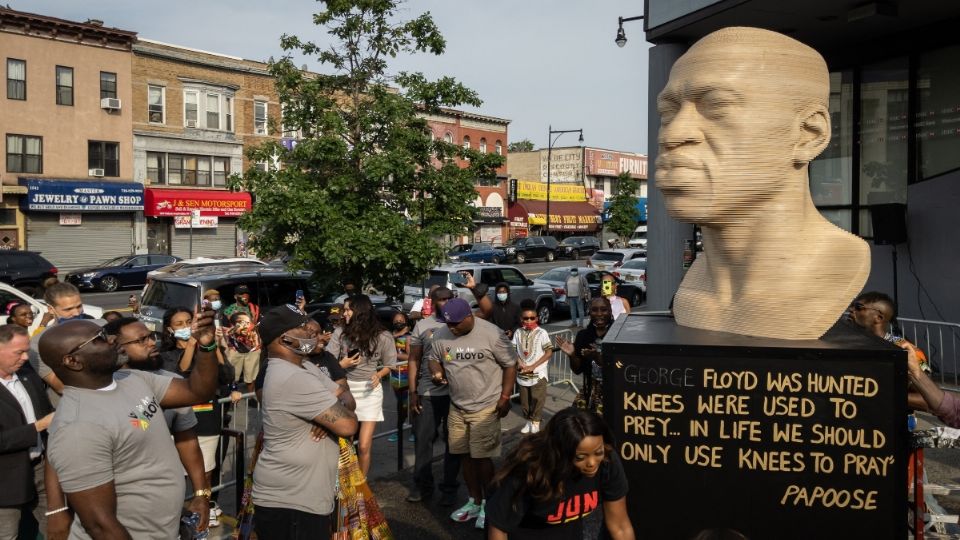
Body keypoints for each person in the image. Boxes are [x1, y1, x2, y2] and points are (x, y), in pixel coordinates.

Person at [656, 26, 870, 340]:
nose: (671, 134)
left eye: (717, 105)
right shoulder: (694, 292)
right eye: (667, 111)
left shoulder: (830, 272)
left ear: (809, 135)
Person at [40, 309, 220, 539]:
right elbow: (100, 525)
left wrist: (206, 347)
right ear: (73, 361)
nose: (113, 339)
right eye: (100, 339)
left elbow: (197, 391)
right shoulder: (78, 426)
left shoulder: (132, 379)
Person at [253, 305, 358, 540]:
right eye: (302, 326)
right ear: (285, 338)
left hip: (304, 499)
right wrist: (332, 411)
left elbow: (348, 398)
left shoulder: (305, 366)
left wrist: (328, 412)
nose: (312, 330)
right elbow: (349, 425)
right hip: (291, 503)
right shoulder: (292, 377)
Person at [103, 317, 212, 531]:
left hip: (164, 509)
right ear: (115, 346)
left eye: (151, 337)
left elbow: (187, 440)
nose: (152, 343)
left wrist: (200, 493)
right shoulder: (102, 386)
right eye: (141, 340)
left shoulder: (171, 382)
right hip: (118, 511)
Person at [427, 297, 518, 529]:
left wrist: (505, 398)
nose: (452, 328)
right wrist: (437, 373)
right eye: (448, 324)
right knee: (464, 455)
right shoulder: (441, 335)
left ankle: (490, 504)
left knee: (481, 457)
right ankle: (474, 501)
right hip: (457, 407)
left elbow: (510, 365)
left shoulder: (492, 334)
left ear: (469, 316)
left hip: (486, 406)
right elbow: (433, 359)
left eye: (456, 323)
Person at [486, 408, 635, 540]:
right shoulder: (530, 470)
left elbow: (620, 526)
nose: (592, 462)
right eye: (580, 457)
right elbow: (498, 527)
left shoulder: (607, 462)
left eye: (598, 452)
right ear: (560, 452)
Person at [326, 294, 397, 477]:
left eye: (348, 309)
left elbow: (390, 364)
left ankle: (362, 486)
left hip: (370, 391)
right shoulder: (340, 332)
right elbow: (327, 361)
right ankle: (346, 482)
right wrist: (342, 365)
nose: (345, 313)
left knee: (364, 444)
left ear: (360, 312)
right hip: (345, 389)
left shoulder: (383, 335)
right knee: (347, 441)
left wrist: (379, 374)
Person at [406, 286, 462, 505]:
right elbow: (413, 360)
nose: (446, 302)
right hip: (427, 393)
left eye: (450, 298)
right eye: (442, 299)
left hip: (455, 393)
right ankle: (422, 486)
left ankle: (449, 488)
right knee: (423, 441)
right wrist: (413, 392)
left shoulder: (460, 323)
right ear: (433, 302)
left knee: (454, 442)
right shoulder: (423, 325)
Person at [0, 324, 54, 540]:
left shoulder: (27, 374)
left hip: (43, 469)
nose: (25, 358)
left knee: (58, 529)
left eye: (27, 351)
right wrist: (38, 427)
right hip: (5, 482)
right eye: (19, 352)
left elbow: (45, 409)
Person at [30, 282, 95, 405]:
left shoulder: (101, 327)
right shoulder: (38, 343)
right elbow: (59, 386)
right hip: (71, 405)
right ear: (51, 309)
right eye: (68, 309)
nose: (76, 313)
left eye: (79, 306)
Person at [556, 297, 614, 416]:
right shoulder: (583, 336)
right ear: (589, 312)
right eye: (594, 310)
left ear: (610, 311)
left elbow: (620, 368)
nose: (599, 314)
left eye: (604, 310)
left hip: (613, 391)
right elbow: (577, 370)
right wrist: (572, 355)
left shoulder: (618, 334)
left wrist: (598, 358)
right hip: (589, 391)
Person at [513, 300, 553, 434]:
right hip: (522, 373)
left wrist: (533, 366)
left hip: (538, 373)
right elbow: (513, 349)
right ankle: (528, 421)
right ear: (521, 319)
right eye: (526, 318)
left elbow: (548, 352)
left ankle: (536, 422)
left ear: (536, 318)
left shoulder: (542, 333)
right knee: (524, 401)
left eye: (532, 318)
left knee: (537, 399)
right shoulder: (518, 332)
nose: (529, 320)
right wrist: (519, 362)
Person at [388, 311, 412, 443]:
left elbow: (410, 357)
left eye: (401, 320)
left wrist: (393, 354)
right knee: (400, 405)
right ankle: (399, 430)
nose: (398, 322)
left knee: (406, 404)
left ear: (406, 321)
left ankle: (412, 430)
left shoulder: (408, 337)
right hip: (394, 374)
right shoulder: (391, 336)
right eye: (396, 320)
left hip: (406, 374)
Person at [224, 311, 262, 396]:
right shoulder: (232, 329)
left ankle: (251, 396)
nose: (245, 323)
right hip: (235, 351)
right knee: (233, 376)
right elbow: (229, 333)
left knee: (251, 377)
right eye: (241, 321)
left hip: (253, 351)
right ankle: (232, 395)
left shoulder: (251, 327)